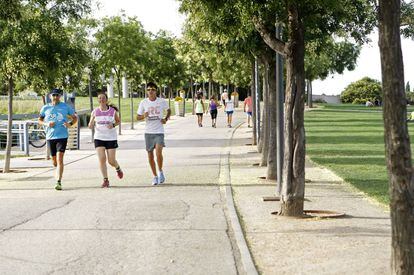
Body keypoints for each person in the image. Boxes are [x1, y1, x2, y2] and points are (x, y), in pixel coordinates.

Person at [38, 88, 78, 190]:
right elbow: (40, 120)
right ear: (50, 96)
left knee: (60, 159)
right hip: (50, 136)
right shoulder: (45, 108)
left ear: (60, 96)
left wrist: (69, 124)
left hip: (62, 136)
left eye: (57, 95)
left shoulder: (65, 107)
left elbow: (75, 118)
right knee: (54, 162)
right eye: (54, 95)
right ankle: (57, 170)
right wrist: (47, 124)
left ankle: (58, 181)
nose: (55, 97)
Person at [137, 82, 171, 185]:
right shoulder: (143, 102)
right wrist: (143, 116)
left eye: (152, 89)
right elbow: (137, 117)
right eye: (148, 90)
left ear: (156, 91)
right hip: (148, 132)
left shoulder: (161, 101)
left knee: (158, 153)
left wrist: (165, 119)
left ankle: (160, 171)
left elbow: (169, 110)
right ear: (146, 92)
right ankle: (155, 176)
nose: (150, 91)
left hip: (159, 131)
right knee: (150, 155)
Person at [88, 93, 123, 188]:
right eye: (99, 98)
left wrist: (113, 125)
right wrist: (91, 124)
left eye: (103, 98)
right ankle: (105, 180)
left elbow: (118, 121)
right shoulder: (95, 111)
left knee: (111, 161)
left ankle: (118, 168)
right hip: (99, 137)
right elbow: (90, 124)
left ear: (106, 100)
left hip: (111, 138)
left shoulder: (112, 111)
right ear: (98, 100)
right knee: (102, 159)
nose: (101, 100)